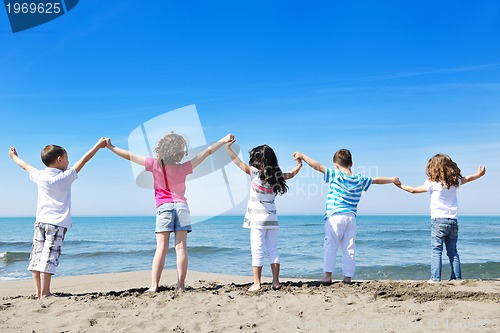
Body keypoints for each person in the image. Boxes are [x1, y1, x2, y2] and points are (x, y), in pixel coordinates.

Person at [106, 133, 234, 291]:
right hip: (181, 207)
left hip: (164, 207)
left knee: (161, 248)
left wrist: (111, 147)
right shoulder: (184, 167)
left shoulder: (154, 165)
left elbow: (130, 156)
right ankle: (180, 285)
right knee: (181, 248)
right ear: (180, 152)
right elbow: (206, 153)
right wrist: (222, 140)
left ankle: (154, 286)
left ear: (162, 149)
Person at [9, 138, 107, 299]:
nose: (69, 161)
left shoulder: (40, 176)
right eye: (67, 158)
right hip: (56, 224)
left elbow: (25, 166)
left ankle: (39, 292)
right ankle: (46, 293)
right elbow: (85, 160)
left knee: (37, 256)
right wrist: (98, 145)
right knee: (48, 257)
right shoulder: (64, 177)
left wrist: (13, 157)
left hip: (40, 222)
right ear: (59, 160)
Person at [293, 149, 400, 284]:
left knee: (330, 246)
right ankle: (347, 277)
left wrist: (302, 156)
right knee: (349, 248)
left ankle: (327, 276)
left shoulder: (336, 174)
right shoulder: (360, 179)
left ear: (336, 165)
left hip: (335, 216)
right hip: (351, 218)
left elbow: (317, 166)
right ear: (352, 163)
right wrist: (392, 179)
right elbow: (376, 180)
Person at [395, 154, 486, 283]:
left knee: (437, 250)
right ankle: (457, 278)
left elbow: (413, 190)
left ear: (433, 168)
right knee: (453, 252)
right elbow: (469, 178)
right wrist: (479, 174)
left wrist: (399, 185)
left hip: (438, 221)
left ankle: (435, 278)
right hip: (453, 221)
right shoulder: (455, 182)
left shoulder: (432, 183)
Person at [226, 141, 302, 291]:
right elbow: (292, 174)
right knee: (273, 250)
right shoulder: (277, 176)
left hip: (257, 220)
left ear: (258, 160)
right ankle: (275, 281)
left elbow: (236, 161)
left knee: (257, 250)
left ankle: (257, 283)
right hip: (272, 220)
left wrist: (227, 148)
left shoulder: (254, 173)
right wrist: (299, 165)